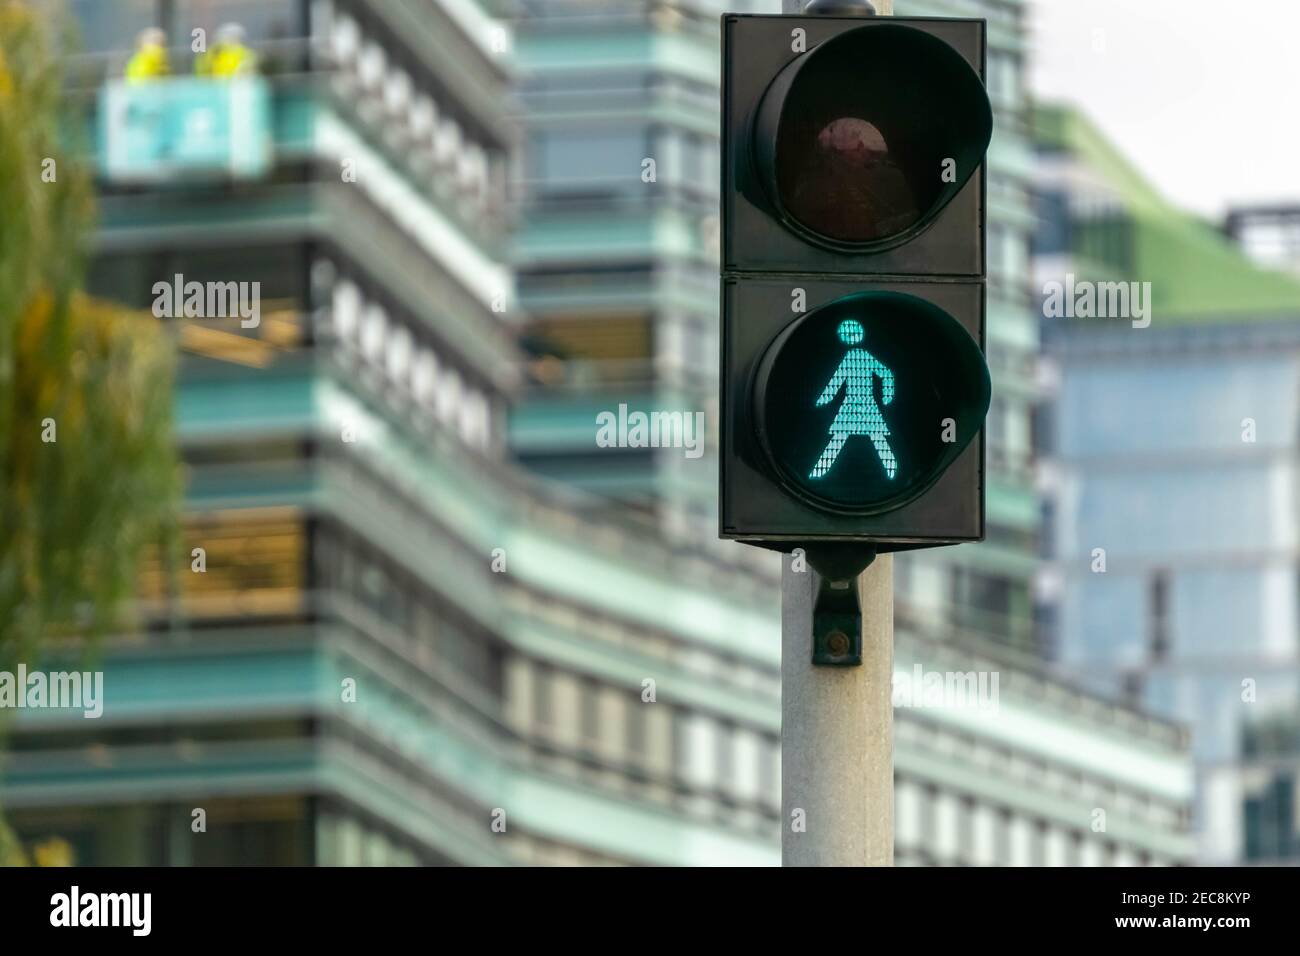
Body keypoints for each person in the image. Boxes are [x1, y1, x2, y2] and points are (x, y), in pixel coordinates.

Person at [809, 318, 897, 480]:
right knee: (876, 439)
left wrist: (824, 399)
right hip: (862, 405)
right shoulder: (860, 356)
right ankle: (891, 471)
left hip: (855, 406)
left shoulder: (856, 356)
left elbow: (836, 381)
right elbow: (886, 374)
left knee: (842, 438)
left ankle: (818, 472)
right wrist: (887, 396)